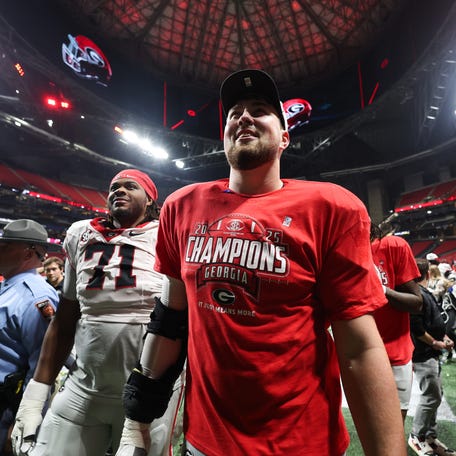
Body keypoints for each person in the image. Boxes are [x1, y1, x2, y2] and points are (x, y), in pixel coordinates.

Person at [115, 69, 407, 456]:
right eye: (234, 111)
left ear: (285, 137)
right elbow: (170, 318)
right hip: (204, 441)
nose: (244, 116)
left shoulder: (331, 208)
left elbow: (359, 348)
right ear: (224, 138)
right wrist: (137, 419)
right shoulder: (181, 206)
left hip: (301, 444)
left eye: (260, 109)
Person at [11, 170, 184, 456]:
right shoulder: (80, 233)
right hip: (85, 386)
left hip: (149, 395)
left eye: (131, 186)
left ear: (151, 200)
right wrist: (35, 395)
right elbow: (65, 320)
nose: (119, 190)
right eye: (114, 187)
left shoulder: (168, 234)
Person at [0, 219, 60, 453]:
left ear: (27, 253)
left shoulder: (36, 297)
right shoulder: (10, 286)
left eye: (6, 246)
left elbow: (44, 364)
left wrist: (23, 420)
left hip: (6, 409)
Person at [370, 227, 422, 422]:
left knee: (392, 428)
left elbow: (417, 303)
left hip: (393, 353)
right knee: (370, 425)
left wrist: (381, 289)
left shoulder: (392, 246)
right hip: (356, 354)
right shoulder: (339, 252)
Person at [408, 258, 455, 456]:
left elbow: (431, 323)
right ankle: (416, 436)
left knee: (436, 395)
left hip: (431, 352)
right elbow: (417, 328)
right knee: (431, 396)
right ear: (428, 273)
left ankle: (429, 435)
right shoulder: (418, 294)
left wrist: (442, 336)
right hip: (424, 353)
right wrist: (435, 342)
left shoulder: (422, 293)